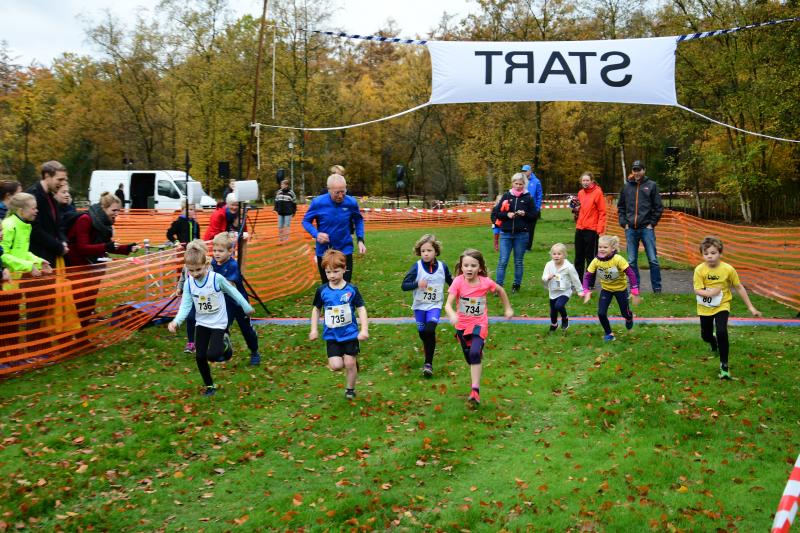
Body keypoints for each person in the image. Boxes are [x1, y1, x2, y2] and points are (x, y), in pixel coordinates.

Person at [169, 245, 254, 397]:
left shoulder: (216, 279)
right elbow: (185, 305)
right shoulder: (189, 283)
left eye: (198, 270)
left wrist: (246, 307)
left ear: (206, 265)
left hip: (218, 322)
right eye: (191, 270)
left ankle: (225, 343)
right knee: (200, 357)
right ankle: (210, 386)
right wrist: (176, 321)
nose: (195, 274)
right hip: (202, 322)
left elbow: (233, 291)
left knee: (213, 355)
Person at [444, 248, 513, 406]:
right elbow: (448, 304)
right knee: (470, 358)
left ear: (480, 267)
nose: (469, 269)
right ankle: (478, 347)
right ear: (461, 267)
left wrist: (507, 308)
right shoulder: (458, 281)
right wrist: (452, 314)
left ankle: (475, 390)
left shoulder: (485, 282)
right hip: (462, 325)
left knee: (474, 353)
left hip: (479, 324)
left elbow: (501, 291)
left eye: (473, 266)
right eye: (466, 265)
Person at [66, 192, 140, 333]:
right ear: (103, 207)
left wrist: (129, 248)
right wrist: (107, 247)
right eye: (114, 210)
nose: (116, 214)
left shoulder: (103, 222)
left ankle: (83, 333)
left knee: (89, 301)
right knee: (81, 301)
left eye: (118, 210)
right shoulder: (85, 219)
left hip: (93, 265)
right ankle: (77, 334)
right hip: (77, 265)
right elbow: (83, 247)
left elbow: (107, 244)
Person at [693, 236, 761, 380]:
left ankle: (724, 366)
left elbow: (739, 287)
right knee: (706, 336)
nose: (709, 257)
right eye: (706, 254)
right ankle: (712, 340)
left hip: (722, 305)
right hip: (704, 307)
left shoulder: (728, 269)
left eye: (713, 253)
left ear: (721, 253)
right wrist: (711, 293)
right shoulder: (699, 270)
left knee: (722, 331)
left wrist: (751, 308)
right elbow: (697, 290)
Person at [309, 249, 369, 400]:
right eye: (328, 272)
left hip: (350, 333)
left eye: (335, 271)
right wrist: (313, 330)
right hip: (332, 335)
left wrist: (364, 330)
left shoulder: (351, 289)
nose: (332, 276)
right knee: (336, 366)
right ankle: (352, 363)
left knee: (349, 363)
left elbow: (361, 309)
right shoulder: (322, 290)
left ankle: (350, 389)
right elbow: (316, 310)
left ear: (344, 269)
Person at [25, 161, 69, 353]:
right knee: (37, 303)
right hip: (37, 258)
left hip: (51, 256)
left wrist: (64, 241)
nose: (62, 184)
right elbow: (35, 230)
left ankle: (44, 344)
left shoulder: (51, 197)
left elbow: (57, 225)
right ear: (47, 177)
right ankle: (34, 346)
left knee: (49, 302)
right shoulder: (33, 196)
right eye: (59, 179)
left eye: (64, 179)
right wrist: (59, 246)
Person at [401, 234, 454, 377]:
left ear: (436, 251)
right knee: (424, 335)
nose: (426, 253)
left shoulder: (443, 267)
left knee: (430, 331)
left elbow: (452, 283)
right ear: (419, 251)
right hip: (419, 307)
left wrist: (462, 292)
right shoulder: (416, 267)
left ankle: (428, 364)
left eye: (429, 250)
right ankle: (428, 349)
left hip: (434, 306)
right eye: (423, 250)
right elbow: (404, 286)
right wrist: (417, 284)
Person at [302, 174, 366, 283]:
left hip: (344, 250)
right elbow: (306, 221)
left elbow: (359, 220)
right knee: (328, 288)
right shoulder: (318, 202)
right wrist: (317, 234)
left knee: (344, 287)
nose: (341, 196)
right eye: (337, 192)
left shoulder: (351, 202)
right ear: (328, 189)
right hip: (324, 251)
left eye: (343, 191)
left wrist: (360, 240)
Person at [211, 232, 261, 366]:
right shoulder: (213, 263)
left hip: (239, 303)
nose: (217, 254)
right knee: (221, 327)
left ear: (229, 251)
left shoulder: (232, 265)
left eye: (220, 251)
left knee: (246, 330)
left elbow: (229, 286)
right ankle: (225, 350)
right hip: (223, 303)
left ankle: (254, 351)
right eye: (214, 250)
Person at [582, 235, 642, 341]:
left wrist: (634, 290)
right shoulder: (596, 261)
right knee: (601, 313)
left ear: (613, 248)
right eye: (600, 247)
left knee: (625, 313)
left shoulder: (618, 259)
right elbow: (587, 276)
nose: (602, 249)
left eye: (605, 247)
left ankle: (629, 317)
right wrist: (586, 290)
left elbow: (631, 274)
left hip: (620, 289)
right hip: (606, 290)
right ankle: (609, 334)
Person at [618, 160, 664, 295]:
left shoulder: (651, 186)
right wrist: (624, 223)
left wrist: (652, 223)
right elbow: (621, 207)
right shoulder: (626, 187)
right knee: (632, 261)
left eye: (639, 170)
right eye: (634, 170)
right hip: (631, 229)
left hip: (646, 229)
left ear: (644, 170)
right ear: (632, 172)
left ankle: (657, 288)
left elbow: (658, 207)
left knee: (653, 260)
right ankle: (634, 287)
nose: (637, 173)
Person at [491, 173, 537, 294]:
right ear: (512, 183)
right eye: (516, 184)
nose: (518, 186)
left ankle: (516, 285)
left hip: (521, 235)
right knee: (503, 261)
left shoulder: (529, 198)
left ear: (524, 185)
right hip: (506, 234)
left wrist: (524, 214)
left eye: (520, 184)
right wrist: (507, 214)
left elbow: (534, 216)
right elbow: (497, 213)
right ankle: (498, 287)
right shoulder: (506, 196)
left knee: (518, 262)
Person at [175, 239, 211, 355]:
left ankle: (209, 341)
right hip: (190, 297)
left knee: (205, 321)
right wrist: (179, 288)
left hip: (204, 298)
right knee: (190, 318)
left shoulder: (207, 266)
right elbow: (182, 276)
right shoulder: (187, 267)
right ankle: (191, 342)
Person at [541, 243, 583, 334]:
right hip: (553, 291)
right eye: (554, 254)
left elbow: (576, 279)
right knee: (553, 311)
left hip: (565, 291)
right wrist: (548, 277)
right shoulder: (549, 265)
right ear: (551, 254)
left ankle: (565, 317)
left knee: (559, 306)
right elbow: (543, 277)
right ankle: (554, 324)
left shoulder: (569, 267)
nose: (556, 256)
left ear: (564, 255)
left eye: (559, 254)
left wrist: (580, 291)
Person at [573, 172, 607, 286]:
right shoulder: (580, 193)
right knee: (578, 256)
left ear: (592, 180)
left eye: (587, 180)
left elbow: (602, 211)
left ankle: (589, 282)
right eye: (583, 180)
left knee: (590, 257)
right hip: (580, 228)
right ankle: (578, 281)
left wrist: (599, 228)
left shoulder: (598, 192)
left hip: (591, 229)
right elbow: (579, 210)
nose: (585, 182)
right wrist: (575, 209)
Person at [522, 165, 542, 252]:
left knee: (531, 228)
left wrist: (537, 208)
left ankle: (528, 247)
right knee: (522, 227)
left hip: (532, 209)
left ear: (530, 171)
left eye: (526, 171)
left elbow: (539, 196)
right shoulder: (522, 181)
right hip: (523, 207)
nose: (524, 172)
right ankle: (521, 245)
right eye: (523, 171)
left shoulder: (536, 182)